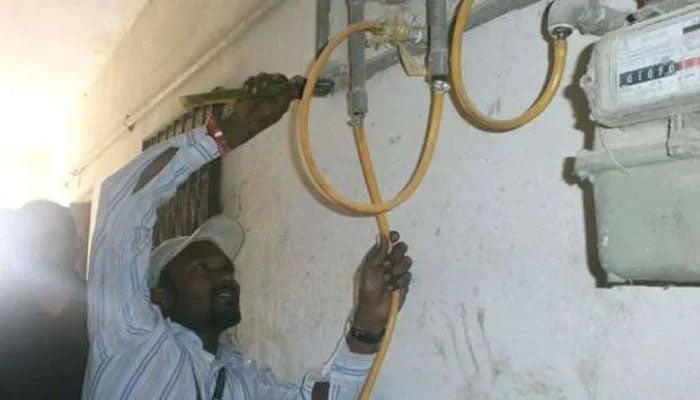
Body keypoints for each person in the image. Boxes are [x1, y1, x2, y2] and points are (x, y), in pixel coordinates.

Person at [83, 73, 413, 399]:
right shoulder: (133, 340)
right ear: (160, 296)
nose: (225, 276)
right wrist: (225, 133)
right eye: (203, 268)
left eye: (226, 269)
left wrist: (367, 322)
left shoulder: (243, 382)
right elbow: (122, 204)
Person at [0, 200, 88, 399]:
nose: (38, 252)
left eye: (50, 238)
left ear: (78, 245)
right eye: (29, 242)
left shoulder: (106, 312)